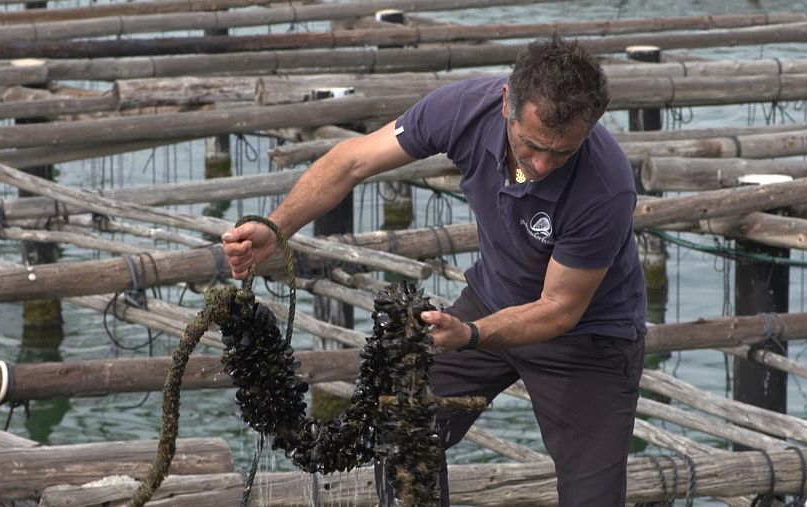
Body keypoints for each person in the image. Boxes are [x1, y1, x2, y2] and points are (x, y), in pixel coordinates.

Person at [222, 33, 647, 507]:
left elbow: (559, 309)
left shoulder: (605, 187)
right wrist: (275, 226)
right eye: (530, 145)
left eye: (562, 151)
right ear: (508, 101)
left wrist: (468, 333)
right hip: (493, 297)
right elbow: (351, 162)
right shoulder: (462, 109)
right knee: (400, 433)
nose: (543, 163)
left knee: (592, 496)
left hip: (586, 338)